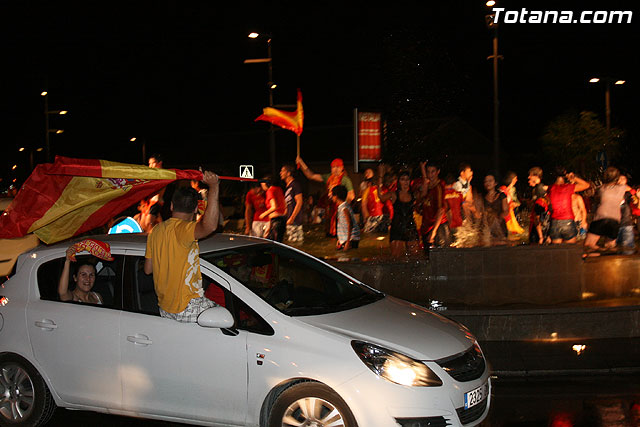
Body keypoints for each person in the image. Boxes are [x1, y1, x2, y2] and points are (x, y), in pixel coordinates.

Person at [144, 171, 220, 322]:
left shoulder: (156, 231)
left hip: (165, 307)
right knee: (233, 322)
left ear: (172, 206)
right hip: (187, 305)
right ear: (195, 209)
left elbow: (148, 269)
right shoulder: (184, 229)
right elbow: (210, 226)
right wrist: (214, 186)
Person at [296, 156, 354, 236]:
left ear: (342, 168)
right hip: (329, 209)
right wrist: (301, 163)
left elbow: (351, 196)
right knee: (330, 232)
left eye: (338, 167)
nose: (335, 169)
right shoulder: (328, 177)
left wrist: (343, 208)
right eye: (333, 167)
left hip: (339, 211)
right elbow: (311, 176)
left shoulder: (345, 180)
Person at [583, 167, 628, 257]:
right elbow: (625, 183)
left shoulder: (601, 189)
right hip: (615, 219)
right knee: (610, 246)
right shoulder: (622, 188)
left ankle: (598, 255)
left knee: (589, 245)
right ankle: (609, 257)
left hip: (601, 217)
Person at [379, 170, 420, 257]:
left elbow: (424, 192)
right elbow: (381, 198)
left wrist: (423, 171)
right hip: (397, 227)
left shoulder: (414, 194)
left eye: (407, 179)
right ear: (399, 181)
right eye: (402, 179)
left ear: (410, 181)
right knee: (396, 258)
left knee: (415, 257)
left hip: (410, 226)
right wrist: (380, 177)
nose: (405, 182)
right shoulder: (394, 194)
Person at [547, 169, 590, 244]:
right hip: (567, 221)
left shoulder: (550, 189)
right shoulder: (568, 188)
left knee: (556, 249)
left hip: (555, 222)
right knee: (570, 248)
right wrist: (573, 177)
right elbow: (586, 185)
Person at [419, 161, 450, 248]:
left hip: (438, 227)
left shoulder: (439, 187)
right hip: (427, 226)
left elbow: (441, 210)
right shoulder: (428, 185)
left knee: (440, 255)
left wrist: (434, 231)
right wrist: (423, 170)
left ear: (438, 172)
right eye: (428, 172)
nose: (430, 174)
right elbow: (423, 195)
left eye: (433, 171)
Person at [280, 164, 304, 243]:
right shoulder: (288, 187)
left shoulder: (295, 185)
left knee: (294, 244)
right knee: (291, 242)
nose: (280, 173)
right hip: (290, 221)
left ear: (288, 173)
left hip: (295, 221)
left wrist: (292, 218)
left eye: (282, 171)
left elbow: (299, 202)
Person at [258, 175, 287, 242]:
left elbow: (274, 207)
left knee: (272, 242)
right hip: (282, 219)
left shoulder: (270, 191)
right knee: (279, 241)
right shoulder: (278, 189)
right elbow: (285, 204)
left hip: (276, 220)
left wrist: (263, 214)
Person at [332, 185, 360, 250]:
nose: (332, 197)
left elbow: (349, 224)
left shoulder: (344, 208)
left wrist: (348, 242)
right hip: (349, 238)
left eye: (332, 195)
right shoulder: (344, 206)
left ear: (336, 196)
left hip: (351, 239)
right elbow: (342, 225)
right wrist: (340, 239)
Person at [482, 174, 509, 243]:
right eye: (486, 181)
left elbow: (506, 211)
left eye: (490, 181)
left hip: (500, 227)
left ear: (495, 183)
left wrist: (497, 219)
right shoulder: (482, 198)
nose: (488, 183)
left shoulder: (502, 195)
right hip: (488, 228)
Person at [527, 166, 550, 244]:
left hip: (539, 228)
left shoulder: (539, 189)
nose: (528, 177)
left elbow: (538, 215)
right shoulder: (537, 189)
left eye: (530, 175)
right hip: (540, 226)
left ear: (536, 176)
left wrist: (541, 237)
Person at [616, 175, 636, 255]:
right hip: (615, 224)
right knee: (617, 249)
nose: (621, 180)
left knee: (628, 250)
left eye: (623, 179)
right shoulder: (611, 192)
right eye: (619, 179)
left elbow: (633, 193)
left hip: (626, 223)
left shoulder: (628, 194)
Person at [443, 174, 464, 240]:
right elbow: (463, 207)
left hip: (448, 224)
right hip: (459, 223)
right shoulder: (459, 193)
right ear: (454, 183)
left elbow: (447, 210)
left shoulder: (442, 194)